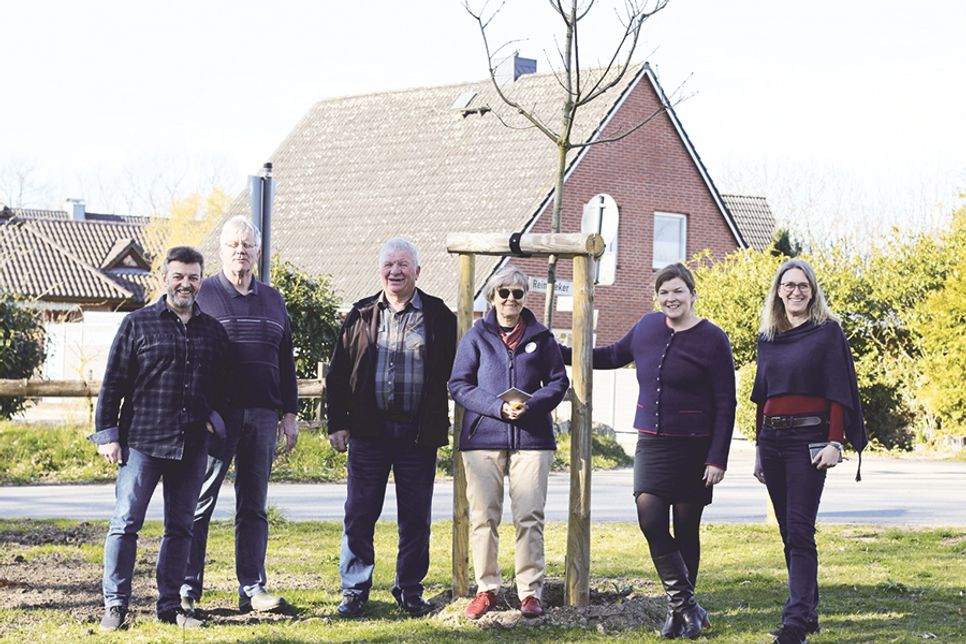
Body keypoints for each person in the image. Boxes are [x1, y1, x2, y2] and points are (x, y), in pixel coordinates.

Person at [561, 262, 735, 639]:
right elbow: (609, 355)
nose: (671, 298)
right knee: (650, 519)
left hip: (695, 447)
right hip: (653, 443)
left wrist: (717, 457)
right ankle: (687, 606)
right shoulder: (647, 327)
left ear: (692, 294)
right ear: (657, 297)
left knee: (686, 529)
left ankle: (679, 614)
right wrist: (561, 351)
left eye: (678, 291)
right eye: (664, 292)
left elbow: (726, 401)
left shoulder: (712, 338)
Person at [89, 246, 230, 632]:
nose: (186, 284)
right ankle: (115, 605)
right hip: (142, 443)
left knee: (181, 527)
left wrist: (213, 419)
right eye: (179, 276)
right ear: (165, 278)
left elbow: (224, 387)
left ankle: (170, 606)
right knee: (126, 522)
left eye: (193, 277)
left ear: (201, 280)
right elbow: (113, 383)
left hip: (191, 447)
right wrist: (108, 435)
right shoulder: (137, 324)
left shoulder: (213, 332)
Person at [326, 238, 457, 618]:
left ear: (418, 271)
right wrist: (338, 424)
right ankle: (354, 590)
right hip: (369, 433)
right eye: (389, 265)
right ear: (380, 269)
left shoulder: (439, 317)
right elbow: (336, 375)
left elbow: (459, 371)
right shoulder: (361, 314)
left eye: (403, 265)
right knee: (360, 514)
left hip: (418, 436)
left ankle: (410, 589)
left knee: (415, 517)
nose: (395, 271)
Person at [180, 215, 299, 616]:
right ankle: (186, 587)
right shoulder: (205, 294)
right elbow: (189, 356)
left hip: (264, 414)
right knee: (200, 501)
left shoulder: (273, 298)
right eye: (233, 245)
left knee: (254, 506)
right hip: (218, 417)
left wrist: (290, 413)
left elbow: (285, 358)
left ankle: (253, 589)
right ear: (222, 250)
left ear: (258, 252)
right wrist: (201, 410)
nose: (240, 251)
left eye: (247, 245)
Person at [752, 258, 867, 644]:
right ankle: (809, 611)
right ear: (778, 291)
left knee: (800, 530)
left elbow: (838, 391)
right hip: (771, 440)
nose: (796, 291)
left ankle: (795, 622)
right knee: (789, 532)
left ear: (813, 291)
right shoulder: (768, 336)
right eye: (789, 285)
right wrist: (757, 449)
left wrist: (835, 442)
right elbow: (761, 398)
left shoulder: (827, 333)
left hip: (809, 441)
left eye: (803, 285)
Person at [448, 267, 569, 620]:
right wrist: (497, 408)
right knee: (484, 516)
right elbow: (458, 384)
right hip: (482, 439)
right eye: (504, 293)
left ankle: (529, 592)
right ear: (492, 297)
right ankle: (487, 589)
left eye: (518, 293)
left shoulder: (542, 337)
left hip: (532, 439)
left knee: (529, 515)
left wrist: (531, 405)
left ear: (525, 297)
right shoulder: (475, 337)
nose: (511, 299)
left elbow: (558, 382)